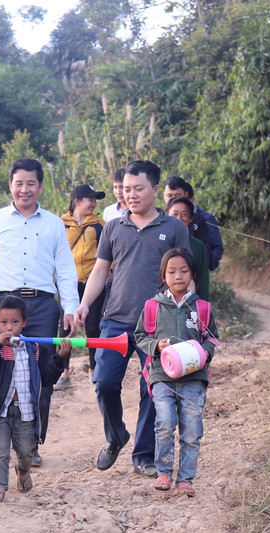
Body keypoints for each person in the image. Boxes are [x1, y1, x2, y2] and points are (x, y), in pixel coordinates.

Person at [73, 160, 190, 476]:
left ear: (154, 190)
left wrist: (186, 313)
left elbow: (184, 276)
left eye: (138, 188)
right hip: (115, 320)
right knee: (104, 382)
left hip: (157, 323)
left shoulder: (174, 229)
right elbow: (100, 271)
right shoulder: (113, 227)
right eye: (126, 189)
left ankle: (144, 456)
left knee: (152, 389)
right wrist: (84, 305)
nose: (131, 195)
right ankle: (115, 436)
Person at [0, 157, 79, 465]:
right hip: (4, 304)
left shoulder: (54, 223)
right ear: (10, 185)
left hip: (43, 306)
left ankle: (31, 445)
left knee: (42, 375)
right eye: (19, 183)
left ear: (40, 186)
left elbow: (66, 269)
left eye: (31, 183)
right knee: (0, 369)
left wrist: (70, 307)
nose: (25, 189)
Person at [134, 249, 218, 497]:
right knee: (164, 423)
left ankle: (185, 480)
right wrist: (156, 346)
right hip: (162, 377)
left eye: (184, 271)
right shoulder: (153, 307)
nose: (178, 276)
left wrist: (205, 353)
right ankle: (163, 471)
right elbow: (140, 336)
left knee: (191, 430)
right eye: (171, 271)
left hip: (194, 379)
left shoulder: (201, 308)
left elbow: (212, 339)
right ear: (163, 275)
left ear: (192, 274)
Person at [0, 296, 70, 502]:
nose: (9, 327)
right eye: (3, 323)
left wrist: (60, 357)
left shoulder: (33, 348)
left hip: (25, 410)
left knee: (26, 451)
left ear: (24, 322)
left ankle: (23, 470)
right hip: (1, 410)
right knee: (0, 451)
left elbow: (47, 376)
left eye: (15, 322)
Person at [56, 184, 106, 389]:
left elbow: (106, 254)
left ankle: (93, 370)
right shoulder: (60, 224)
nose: (93, 204)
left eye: (95, 200)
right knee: (66, 327)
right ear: (77, 201)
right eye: (90, 200)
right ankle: (64, 372)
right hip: (68, 283)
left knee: (93, 327)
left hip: (92, 284)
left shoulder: (99, 225)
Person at [163, 176, 224, 271]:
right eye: (169, 196)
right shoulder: (160, 220)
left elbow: (216, 246)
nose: (173, 199)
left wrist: (208, 266)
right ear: (163, 196)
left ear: (186, 195)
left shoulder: (204, 219)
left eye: (177, 195)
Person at [166, 197, 210, 301]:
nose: (179, 218)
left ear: (191, 218)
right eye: (175, 213)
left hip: (189, 303)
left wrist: (203, 308)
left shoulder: (198, 246)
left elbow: (203, 281)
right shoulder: (160, 242)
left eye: (184, 214)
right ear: (167, 215)